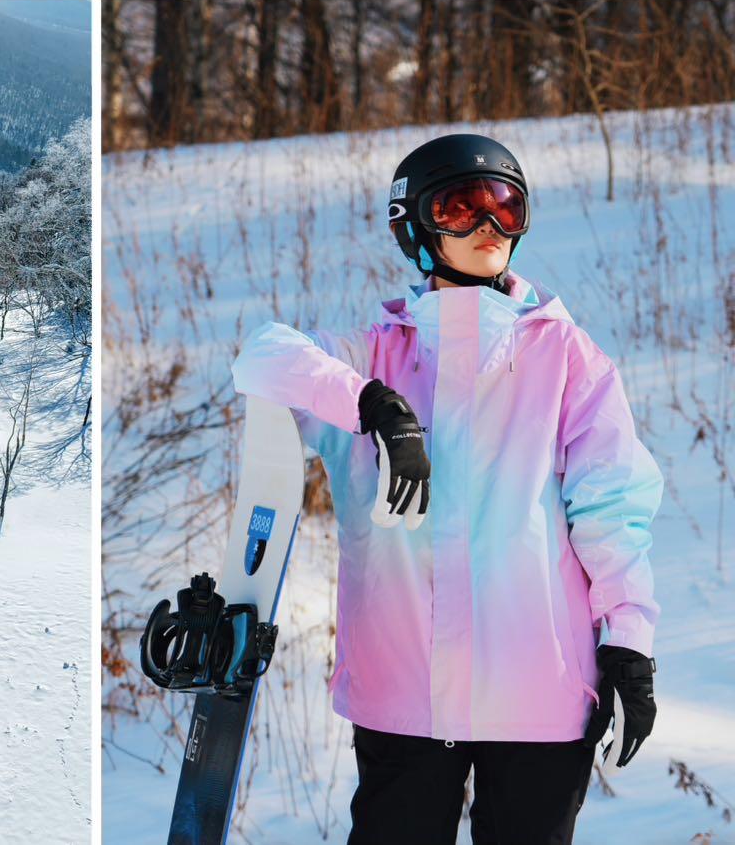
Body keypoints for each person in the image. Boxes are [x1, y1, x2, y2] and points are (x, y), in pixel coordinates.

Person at [231, 132, 663, 845]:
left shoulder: (565, 356)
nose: (490, 225)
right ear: (416, 225)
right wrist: (371, 402)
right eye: (464, 205)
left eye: (507, 206)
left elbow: (612, 508)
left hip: (539, 694)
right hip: (404, 696)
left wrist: (630, 643)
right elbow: (260, 356)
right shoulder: (374, 352)